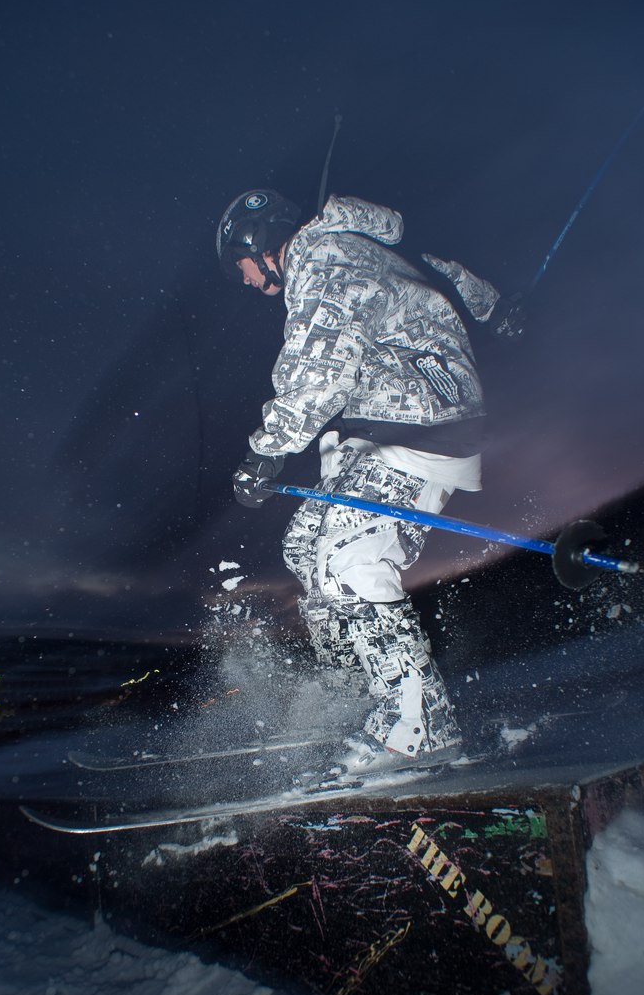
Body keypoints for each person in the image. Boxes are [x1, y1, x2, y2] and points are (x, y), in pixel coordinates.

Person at [217, 189, 516, 780]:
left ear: (258, 244)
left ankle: (419, 724)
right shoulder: (351, 247)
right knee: (306, 545)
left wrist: (265, 452)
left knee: (353, 556)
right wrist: (494, 307)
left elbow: (320, 367)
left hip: (423, 425)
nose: (246, 282)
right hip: (383, 429)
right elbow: (438, 270)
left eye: (241, 269)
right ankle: (358, 690)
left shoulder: (325, 257)